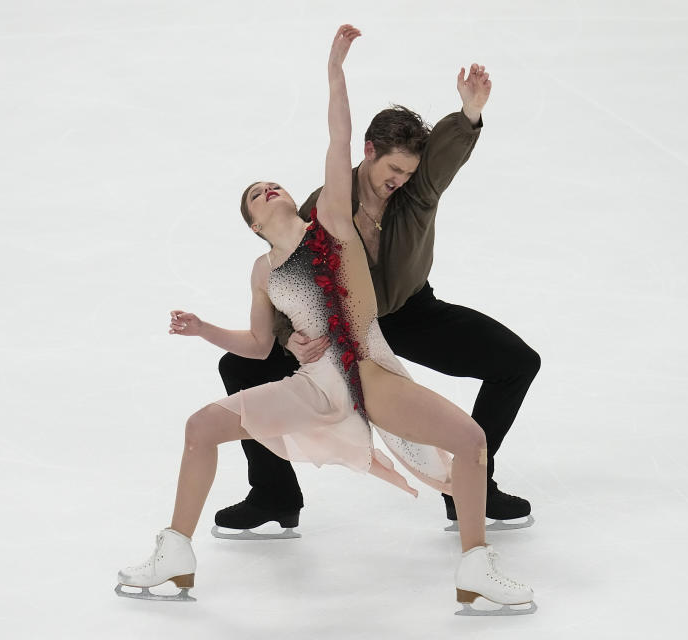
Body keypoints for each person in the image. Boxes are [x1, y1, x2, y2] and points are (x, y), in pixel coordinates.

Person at [116, 24, 535, 616]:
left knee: (469, 440)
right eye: (255, 193)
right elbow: (260, 346)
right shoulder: (262, 272)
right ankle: (179, 551)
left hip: (366, 369)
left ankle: (475, 566)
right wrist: (210, 329)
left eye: (272, 183)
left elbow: (340, 137)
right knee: (201, 425)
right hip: (315, 386)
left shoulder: (333, 221)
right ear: (254, 225)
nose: (268, 187)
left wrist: (336, 71)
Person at [214, 55, 540, 540]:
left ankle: (472, 487)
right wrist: (289, 342)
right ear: (368, 151)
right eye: (394, 169)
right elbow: (290, 281)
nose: (401, 181)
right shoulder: (326, 205)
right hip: (345, 330)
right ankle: (274, 495)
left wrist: (469, 114)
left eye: (410, 172)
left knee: (517, 361)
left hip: (412, 312)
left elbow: (443, 160)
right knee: (239, 369)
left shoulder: (417, 191)